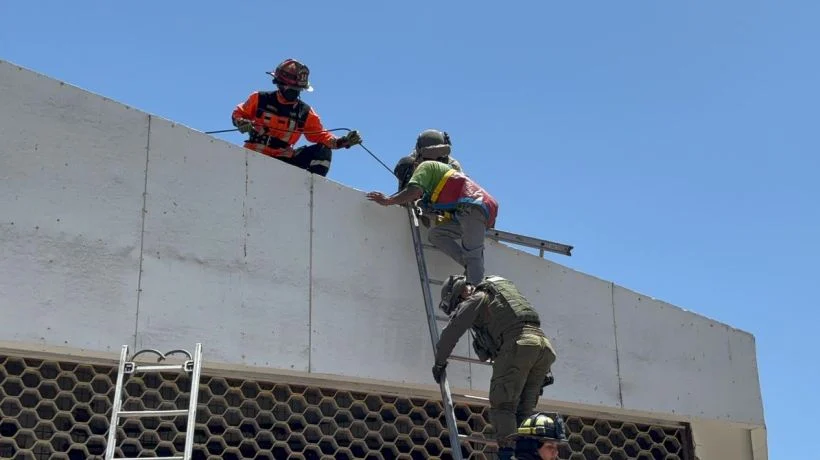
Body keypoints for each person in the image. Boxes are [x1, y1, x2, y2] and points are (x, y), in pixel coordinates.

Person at [431, 275, 557, 460]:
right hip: (543, 347)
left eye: (457, 302)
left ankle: (506, 455)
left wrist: (439, 362)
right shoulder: (498, 292)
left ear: (460, 294)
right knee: (524, 411)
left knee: (503, 405)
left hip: (518, 346)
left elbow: (453, 329)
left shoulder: (477, 298)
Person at [365, 151, 497, 285]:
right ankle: (471, 266)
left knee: (473, 254)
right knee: (436, 235)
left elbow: (414, 191)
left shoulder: (425, 166)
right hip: (467, 213)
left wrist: (389, 201)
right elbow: (430, 206)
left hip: (474, 207)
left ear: (415, 167)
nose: (413, 180)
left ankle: (477, 295)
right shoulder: (434, 184)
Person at [231, 58, 362, 177]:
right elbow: (239, 114)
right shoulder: (260, 98)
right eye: (292, 89)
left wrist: (344, 141)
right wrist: (241, 122)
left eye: (299, 89)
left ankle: (312, 189)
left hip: (283, 160)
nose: (296, 92)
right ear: (279, 83)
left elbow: (322, 136)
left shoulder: (305, 112)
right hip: (253, 156)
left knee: (323, 151)